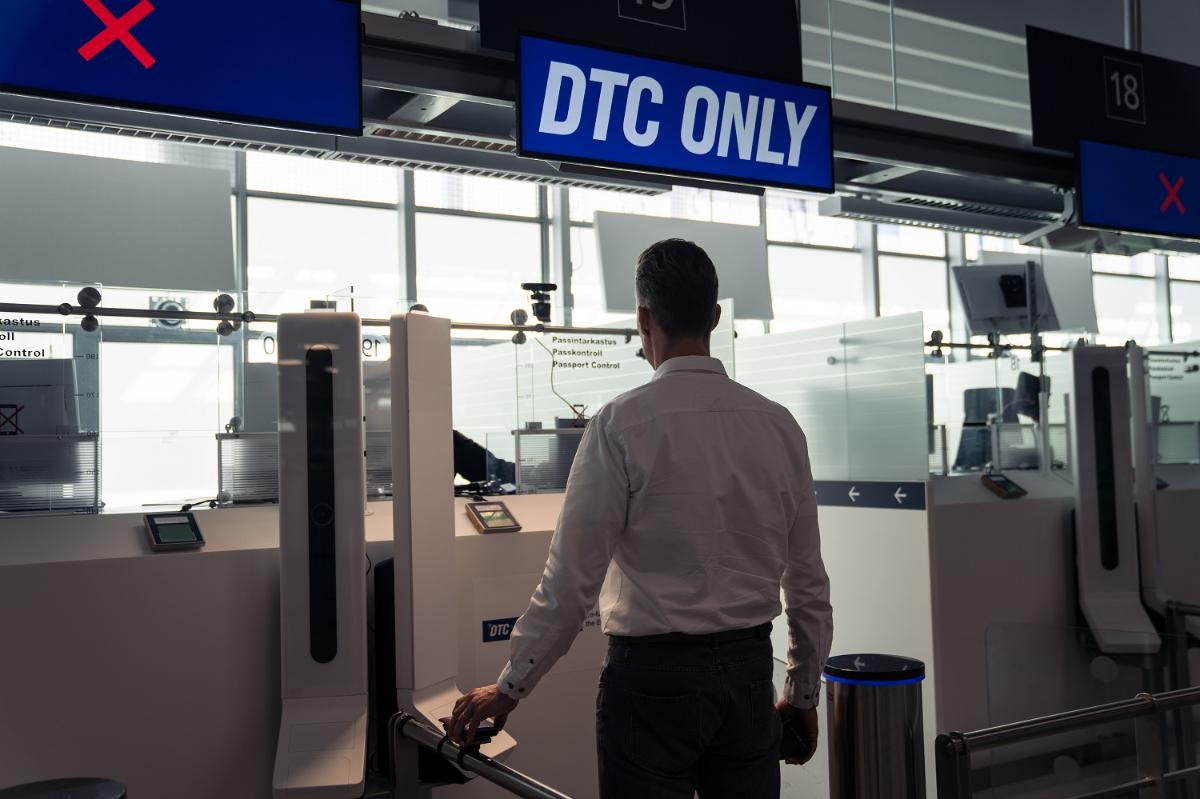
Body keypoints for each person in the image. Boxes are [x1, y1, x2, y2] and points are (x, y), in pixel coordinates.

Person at [449, 238, 833, 797]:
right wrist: (801, 694)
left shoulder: (620, 424)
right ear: (716, 316)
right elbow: (807, 583)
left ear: (643, 319)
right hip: (750, 677)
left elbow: (571, 580)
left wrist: (510, 688)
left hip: (652, 682)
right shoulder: (779, 426)